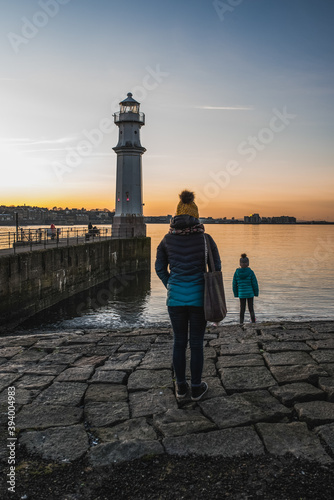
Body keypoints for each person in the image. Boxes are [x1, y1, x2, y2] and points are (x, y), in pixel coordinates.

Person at [155, 190, 221, 401]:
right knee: (196, 343)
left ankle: (181, 387)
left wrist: (171, 285)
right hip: (199, 299)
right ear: (196, 216)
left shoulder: (166, 240)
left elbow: (159, 268)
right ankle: (196, 387)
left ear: (176, 217)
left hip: (175, 300)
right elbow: (216, 269)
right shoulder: (205, 239)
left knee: (179, 342)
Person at [232, 253, 259, 324]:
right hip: (250, 293)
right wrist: (256, 293)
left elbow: (234, 284)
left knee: (242, 308)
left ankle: (241, 322)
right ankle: (253, 321)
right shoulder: (250, 272)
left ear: (240, 264)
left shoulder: (237, 273)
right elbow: (255, 283)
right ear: (248, 263)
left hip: (241, 294)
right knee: (251, 308)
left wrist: (236, 294)